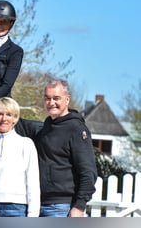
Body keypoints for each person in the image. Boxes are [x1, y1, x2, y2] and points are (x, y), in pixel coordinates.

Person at [34, 79, 97, 217]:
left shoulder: (76, 129)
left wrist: (79, 206)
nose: (51, 103)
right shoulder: (46, 127)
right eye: (47, 98)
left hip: (62, 208)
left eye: (56, 98)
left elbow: (88, 172)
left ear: (67, 99)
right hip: (38, 205)